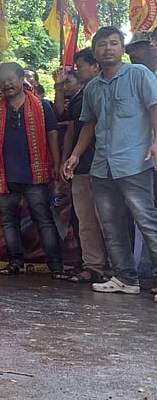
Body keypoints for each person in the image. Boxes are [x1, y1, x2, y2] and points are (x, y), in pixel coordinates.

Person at [64, 26, 157, 302]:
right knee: (111, 224)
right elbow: (89, 124)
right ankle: (125, 278)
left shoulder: (138, 74)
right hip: (102, 166)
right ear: (95, 52)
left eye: (114, 43)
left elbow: (155, 107)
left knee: (147, 220)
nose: (108, 49)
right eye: (102, 45)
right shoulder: (92, 87)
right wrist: (76, 154)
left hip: (135, 162)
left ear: (122, 48)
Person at [0, 62, 67, 279]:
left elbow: (53, 133)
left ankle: (56, 266)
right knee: (8, 220)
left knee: (43, 219)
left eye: (11, 78)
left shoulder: (42, 106)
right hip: (5, 175)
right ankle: (14, 262)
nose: (7, 84)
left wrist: (56, 162)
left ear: (20, 78)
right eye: (2, 80)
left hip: (36, 173)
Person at [59, 49, 109, 283]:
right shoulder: (80, 97)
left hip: (105, 165)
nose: (76, 70)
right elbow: (72, 127)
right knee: (85, 221)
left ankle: (118, 269)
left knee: (108, 220)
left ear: (95, 66)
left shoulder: (105, 90)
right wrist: (69, 157)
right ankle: (93, 266)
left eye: (80, 66)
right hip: (81, 166)